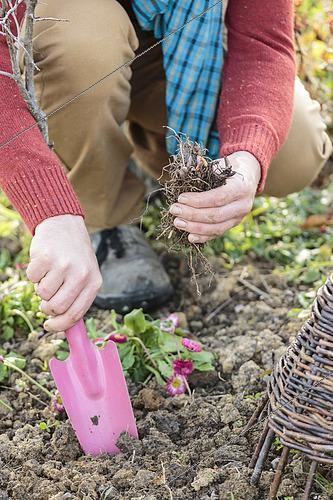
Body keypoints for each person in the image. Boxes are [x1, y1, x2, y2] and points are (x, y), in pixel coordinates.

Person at [0, 0, 331, 332]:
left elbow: (263, 43)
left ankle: (152, 153)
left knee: (295, 151)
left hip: (175, 46)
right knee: (79, 45)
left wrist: (247, 155)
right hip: (75, 44)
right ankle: (103, 217)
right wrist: (50, 210)